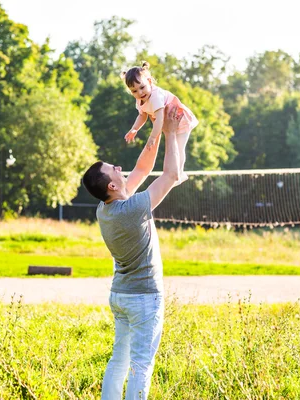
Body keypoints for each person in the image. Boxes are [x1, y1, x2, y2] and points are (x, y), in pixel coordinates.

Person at [82, 104, 183, 399]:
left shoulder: (105, 208)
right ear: (113, 184)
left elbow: (143, 168)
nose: (118, 166)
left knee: (119, 360)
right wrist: (173, 134)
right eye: (112, 169)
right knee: (141, 364)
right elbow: (172, 174)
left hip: (121, 296)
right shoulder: (134, 207)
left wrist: (156, 129)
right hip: (143, 298)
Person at [121, 61, 198, 184]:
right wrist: (134, 129)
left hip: (181, 119)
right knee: (174, 147)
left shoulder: (155, 97)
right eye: (134, 91)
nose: (140, 93)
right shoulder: (140, 99)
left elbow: (160, 118)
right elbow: (142, 115)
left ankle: (180, 172)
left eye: (142, 87)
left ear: (150, 82)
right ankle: (178, 172)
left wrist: (153, 137)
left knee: (178, 147)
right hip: (170, 122)